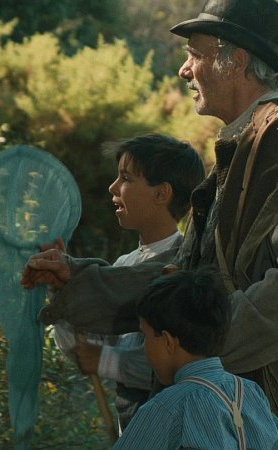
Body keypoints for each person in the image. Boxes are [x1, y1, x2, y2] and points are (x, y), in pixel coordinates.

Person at [23, 1, 278, 448]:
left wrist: (207, 348)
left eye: (195, 54)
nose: (184, 70)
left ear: (237, 60)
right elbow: (191, 278)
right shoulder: (249, 142)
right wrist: (80, 278)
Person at [30, 133, 205, 430]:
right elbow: (85, 346)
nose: (112, 188)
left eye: (126, 178)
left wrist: (107, 361)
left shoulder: (184, 267)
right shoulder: (124, 265)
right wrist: (62, 289)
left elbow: (176, 363)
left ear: (162, 194)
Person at [114, 266, 278, 450]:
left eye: (145, 336)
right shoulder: (250, 392)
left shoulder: (167, 407)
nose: (145, 346)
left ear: (168, 342)